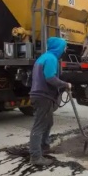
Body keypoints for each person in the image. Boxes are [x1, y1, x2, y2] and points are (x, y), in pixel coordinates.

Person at [29, 37, 71, 166]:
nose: (65, 49)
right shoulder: (51, 59)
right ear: (58, 47)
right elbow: (50, 78)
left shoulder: (44, 57)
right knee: (40, 126)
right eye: (64, 46)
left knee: (48, 123)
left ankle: (44, 147)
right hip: (43, 96)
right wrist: (65, 84)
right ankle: (36, 157)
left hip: (41, 95)